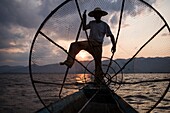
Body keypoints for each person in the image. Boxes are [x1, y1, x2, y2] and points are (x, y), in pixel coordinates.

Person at [60, 7, 116, 83]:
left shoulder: (104, 25)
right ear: (94, 16)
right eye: (96, 14)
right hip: (89, 43)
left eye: (98, 14)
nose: (97, 16)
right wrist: (84, 18)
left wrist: (114, 46)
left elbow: (111, 36)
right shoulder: (92, 23)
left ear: (101, 15)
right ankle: (69, 62)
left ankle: (99, 80)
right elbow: (84, 28)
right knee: (74, 45)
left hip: (98, 46)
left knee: (98, 64)